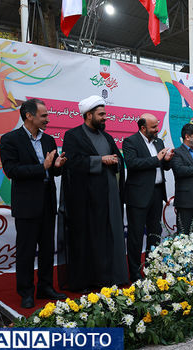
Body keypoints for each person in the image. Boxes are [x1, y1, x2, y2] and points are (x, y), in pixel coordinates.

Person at [0, 98, 67, 308]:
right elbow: (12, 171)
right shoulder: (10, 139)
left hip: (48, 203)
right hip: (27, 205)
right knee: (26, 251)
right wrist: (43, 166)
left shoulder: (49, 140)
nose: (48, 119)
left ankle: (45, 287)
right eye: (44, 115)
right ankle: (26, 292)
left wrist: (57, 166)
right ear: (29, 116)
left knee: (47, 249)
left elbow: (52, 170)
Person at [61, 95, 128, 292]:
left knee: (108, 238)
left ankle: (108, 277)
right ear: (88, 115)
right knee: (88, 240)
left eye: (105, 114)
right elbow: (72, 162)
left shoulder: (106, 137)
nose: (105, 118)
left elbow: (118, 159)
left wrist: (116, 161)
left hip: (108, 197)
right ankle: (87, 281)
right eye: (101, 114)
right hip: (86, 200)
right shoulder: (73, 136)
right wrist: (100, 160)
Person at [123, 113, 174, 283]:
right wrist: (156, 159)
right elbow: (133, 164)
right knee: (136, 236)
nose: (157, 130)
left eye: (157, 126)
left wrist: (167, 160)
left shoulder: (159, 142)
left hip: (156, 193)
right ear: (143, 128)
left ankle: (152, 268)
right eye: (153, 127)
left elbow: (163, 166)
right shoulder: (130, 142)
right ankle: (135, 273)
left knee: (154, 232)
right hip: (138, 196)